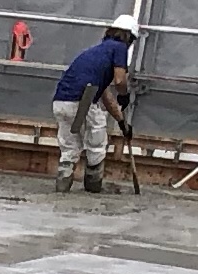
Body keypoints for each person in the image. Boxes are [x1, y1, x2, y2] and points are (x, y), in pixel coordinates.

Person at [51, 13, 136, 191]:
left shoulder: (96, 54)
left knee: (69, 146)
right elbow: (120, 80)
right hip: (83, 100)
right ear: (129, 37)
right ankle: (93, 185)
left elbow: (106, 97)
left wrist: (121, 122)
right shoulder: (119, 48)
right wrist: (124, 94)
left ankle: (62, 186)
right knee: (97, 141)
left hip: (61, 101)